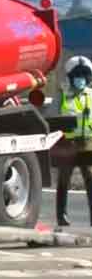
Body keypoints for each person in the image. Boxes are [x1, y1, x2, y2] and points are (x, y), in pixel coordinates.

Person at [55, 55, 92, 227]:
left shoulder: (91, 95)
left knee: (90, 180)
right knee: (64, 180)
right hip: (67, 144)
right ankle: (61, 216)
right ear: (71, 78)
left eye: (84, 76)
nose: (81, 80)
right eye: (78, 76)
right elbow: (52, 117)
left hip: (88, 142)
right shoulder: (62, 95)